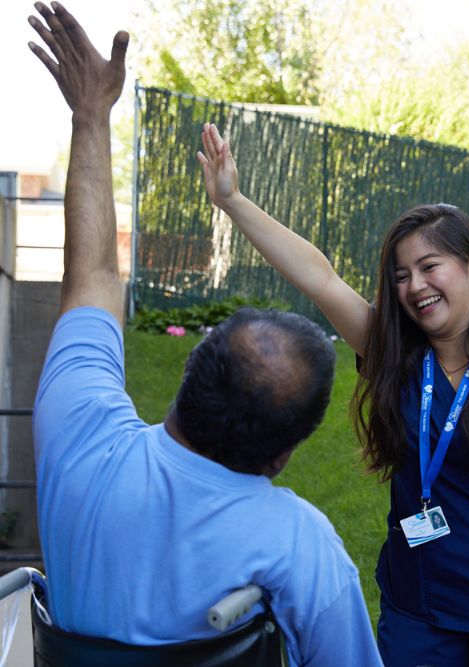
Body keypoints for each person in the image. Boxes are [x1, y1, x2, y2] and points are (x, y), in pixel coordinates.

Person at [26, 4, 382, 666]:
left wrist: (91, 115)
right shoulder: (300, 544)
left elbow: (93, 279)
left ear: (191, 371)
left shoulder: (79, 437)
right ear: (283, 456)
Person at [197, 115, 469, 667]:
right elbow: (320, 278)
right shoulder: (396, 357)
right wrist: (233, 201)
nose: (415, 286)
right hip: (418, 608)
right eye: (401, 275)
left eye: (431, 266)